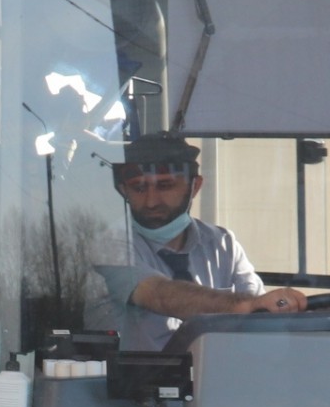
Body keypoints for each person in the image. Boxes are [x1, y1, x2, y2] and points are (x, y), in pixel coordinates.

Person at [90, 133, 302, 352]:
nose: (151, 201)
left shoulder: (222, 244)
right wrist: (243, 305)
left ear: (195, 186)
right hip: (137, 380)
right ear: (124, 190)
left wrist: (265, 305)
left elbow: (257, 311)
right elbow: (159, 294)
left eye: (165, 186)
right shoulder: (109, 245)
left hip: (216, 375)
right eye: (139, 188)